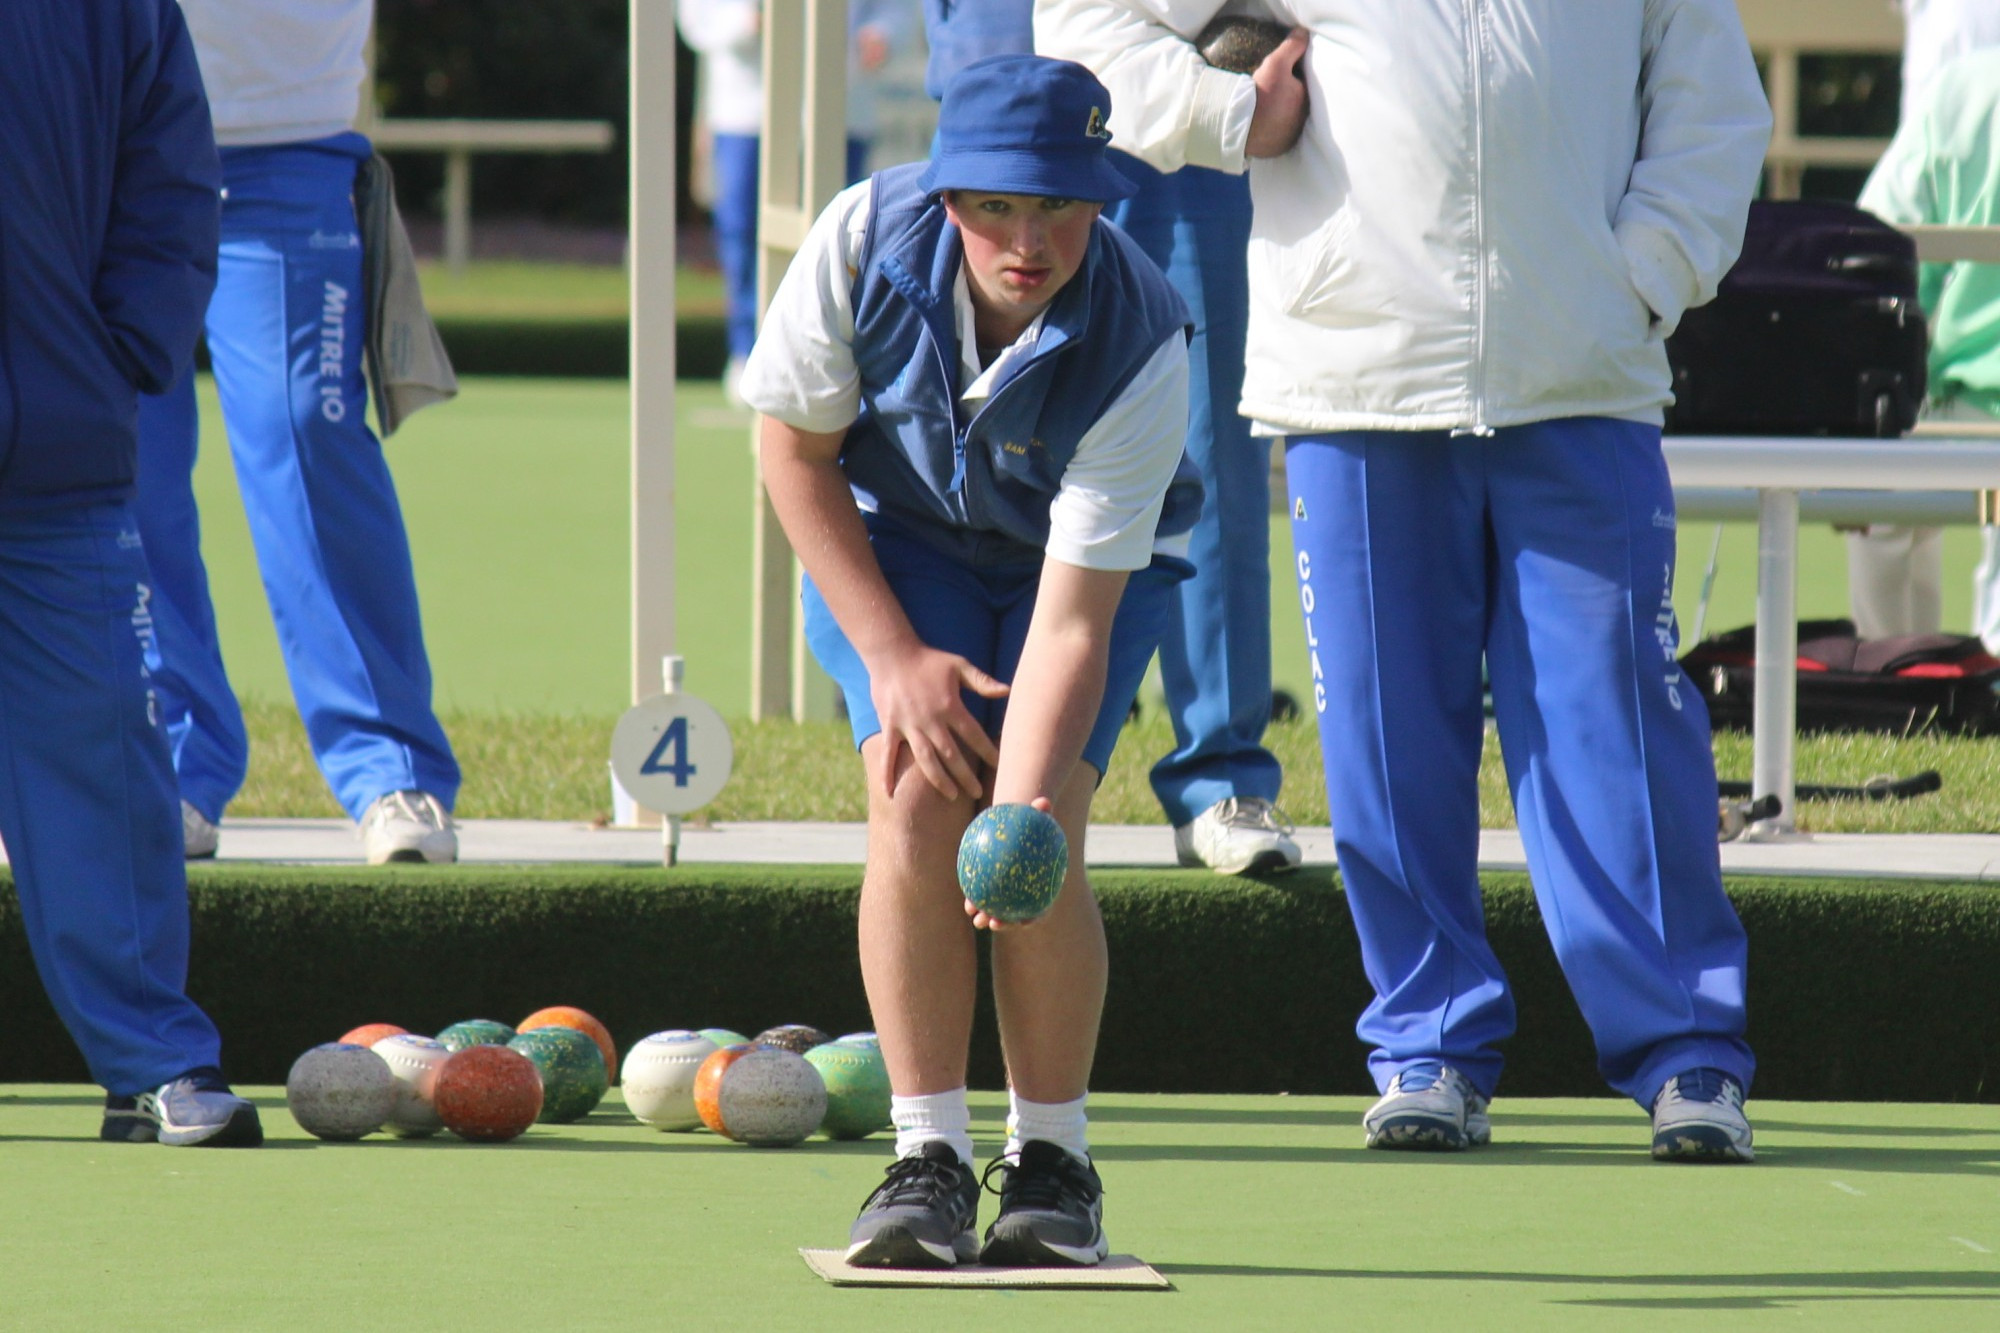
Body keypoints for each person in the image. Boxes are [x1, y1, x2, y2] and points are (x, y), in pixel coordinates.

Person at [1041, 0, 1767, 1161]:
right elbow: (1082, 22)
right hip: (1354, 380)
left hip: (1580, 376)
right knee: (1383, 732)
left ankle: (1683, 1051)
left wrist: (1641, 274)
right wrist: (1230, 112)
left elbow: (1709, 106)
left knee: (1616, 724)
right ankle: (1425, 1042)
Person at [740, 55, 1199, 1265]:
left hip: (1079, 574)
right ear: (947, 198)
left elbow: (1070, 623)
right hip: (897, 542)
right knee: (914, 792)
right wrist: (890, 655)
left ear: (1099, 200)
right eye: (996, 203)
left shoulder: (1144, 335)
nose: (1027, 236)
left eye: (1057, 203)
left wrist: (1026, 808)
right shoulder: (860, 243)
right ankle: (925, 1158)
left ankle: (1053, 1161)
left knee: (1030, 834)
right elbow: (793, 457)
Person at [923, 0, 1300, 875]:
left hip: (1180, 104)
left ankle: (1218, 774)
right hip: (998, 76)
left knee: (1200, 457)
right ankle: (988, 755)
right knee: (963, 451)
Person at [0, 0, 262, 1148]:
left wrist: (125, 350)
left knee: (103, 757)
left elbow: (172, 176)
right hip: (67, 427)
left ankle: (153, 1059)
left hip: (60, 450)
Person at [135, 0, 462, 866]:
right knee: (120, 462)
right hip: (110, 139)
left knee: (303, 438)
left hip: (289, 135)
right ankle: (164, 768)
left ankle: (390, 769)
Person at [1845, 0, 2000, 640]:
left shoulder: (1963, 90)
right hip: (1961, 402)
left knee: (1880, 515)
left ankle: (1896, 684)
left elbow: (1877, 249)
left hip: (1950, 400)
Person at [677, 0, 916, 400]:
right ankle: (748, 353)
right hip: (746, 107)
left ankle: (834, 360)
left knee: (845, 240)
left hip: (840, 105)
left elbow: (896, 11)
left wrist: (883, 35)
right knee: (743, 232)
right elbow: (696, 15)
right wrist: (744, 22)